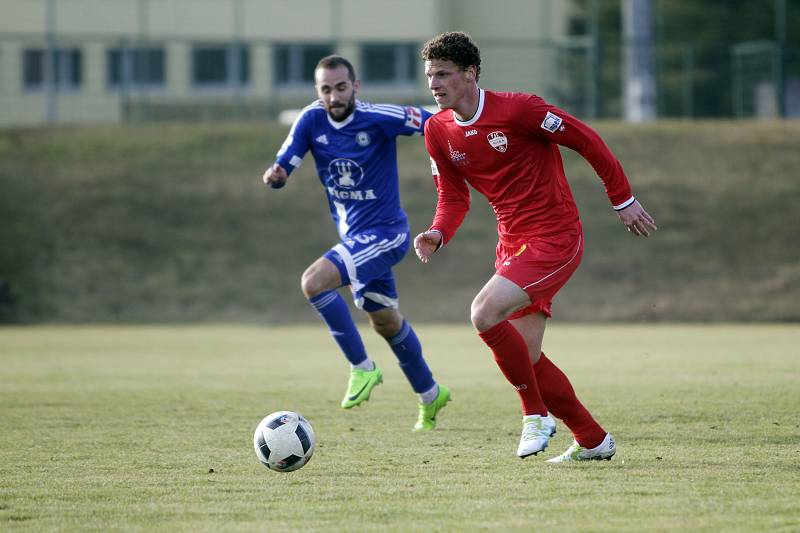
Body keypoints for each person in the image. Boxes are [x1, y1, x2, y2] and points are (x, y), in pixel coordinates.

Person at [414, 32, 657, 460]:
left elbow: (586, 140)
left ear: (470, 74)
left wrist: (623, 200)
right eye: (430, 75)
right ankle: (593, 440)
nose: (434, 84)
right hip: (512, 245)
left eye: (444, 74)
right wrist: (438, 232)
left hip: (556, 237)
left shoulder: (520, 109)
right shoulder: (437, 130)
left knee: (483, 313)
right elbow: (453, 196)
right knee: (526, 356)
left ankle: (535, 415)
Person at [263, 55, 450, 431]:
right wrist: (277, 174)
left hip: (387, 232)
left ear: (356, 86)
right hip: (355, 239)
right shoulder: (311, 120)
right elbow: (286, 161)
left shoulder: (377, 117)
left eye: (341, 87)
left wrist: (464, 146)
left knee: (313, 282)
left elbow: (433, 121)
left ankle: (362, 368)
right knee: (385, 321)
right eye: (326, 89)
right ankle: (431, 395)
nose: (334, 96)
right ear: (318, 92)